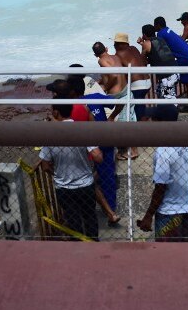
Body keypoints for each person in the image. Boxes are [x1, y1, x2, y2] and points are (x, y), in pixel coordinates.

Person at [39, 80, 102, 241]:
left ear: (56, 113)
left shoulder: (49, 136)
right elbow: (97, 156)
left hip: (63, 187)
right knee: (90, 218)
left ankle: (78, 247)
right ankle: (94, 243)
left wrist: (58, 173)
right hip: (85, 184)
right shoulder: (81, 130)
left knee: (73, 222)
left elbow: (45, 165)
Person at [65, 74, 121, 225]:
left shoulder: (70, 106)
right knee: (106, 176)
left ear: (71, 90)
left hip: (85, 146)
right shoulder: (95, 97)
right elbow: (119, 102)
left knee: (91, 176)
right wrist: (111, 118)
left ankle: (103, 209)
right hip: (102, 142)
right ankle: (111, 210)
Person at [136, 104, 188, 242]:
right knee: (187, 251)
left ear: (161, 123)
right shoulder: (184, 139)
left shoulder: (163, 152)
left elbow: (160, 187)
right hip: (186, 204)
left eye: (154, 120)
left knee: (167, 256)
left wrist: (148, 215)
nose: (151, 123)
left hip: (169, 212)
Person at [154, 16, 188, 102]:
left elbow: (159, 49)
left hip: (184, 58)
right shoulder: (168, 30)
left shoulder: (160, 34)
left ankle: (178, 103)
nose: (154, 27)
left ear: (158, 25)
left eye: (155, 25)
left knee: (170, 78)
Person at [93, 41, 135, 125]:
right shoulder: (116, 57)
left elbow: (114, 75)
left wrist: (106, 87)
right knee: (129, 116)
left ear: (95, 55)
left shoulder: (101, 61)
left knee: (95, 100)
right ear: (106, 49)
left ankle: (109, 119)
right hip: (125, 89)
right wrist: (100, 81)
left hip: (116, 94)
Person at [113, 32, 150, 121]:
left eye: (116, 43)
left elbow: (118, 73)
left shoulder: (118, 54)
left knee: (138, 109)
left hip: (137, 85)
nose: (114, 45)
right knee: (140, 104)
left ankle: (142, 130)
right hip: (148, 81)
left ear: (121, 44)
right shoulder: (133, 48)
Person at [138, 24, 179, 100]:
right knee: (160, 91)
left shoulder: (146, 44)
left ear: (144, 35)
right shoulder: (160, 39)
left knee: (169, 100)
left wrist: (142, 44)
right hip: (175, 72)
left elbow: (142, 61)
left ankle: (173, 110)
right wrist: (142, 44)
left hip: (167, 76)